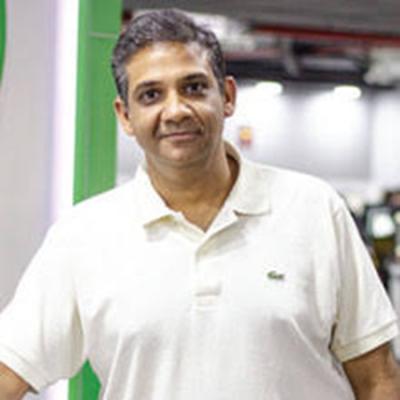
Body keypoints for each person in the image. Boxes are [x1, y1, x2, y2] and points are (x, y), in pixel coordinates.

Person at [0, 8, 399, 400]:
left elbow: (377, 377)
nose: (175, 110)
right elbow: (8, 371)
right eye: (151, 95)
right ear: (125, 116)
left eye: (193, 87)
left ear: (227, 96)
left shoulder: (314, 209)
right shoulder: (83, 235)